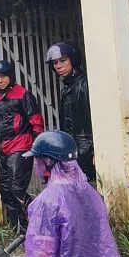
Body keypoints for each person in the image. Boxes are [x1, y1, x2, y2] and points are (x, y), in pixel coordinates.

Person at [0, 60, 44, 231]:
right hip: (3, 149)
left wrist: (37, 150)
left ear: (10, 76)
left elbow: (37, 123)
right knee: (6, 193)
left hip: (21, 146)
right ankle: (18, 232)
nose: (0, 80)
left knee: (16, 188)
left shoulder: (23, 94)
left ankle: (38, 221)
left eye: (3, 76)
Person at [45, 42, 96, 181]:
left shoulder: (85, 85)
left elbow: (96, 120)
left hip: (87, 150)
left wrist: (96, 151)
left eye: (63, 61)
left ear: (73, 60)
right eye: (55, 63)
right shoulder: (66, 88)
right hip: (73, 152)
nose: (59, 66)